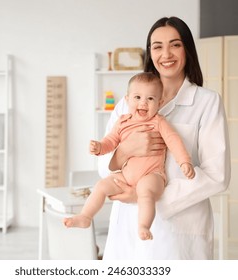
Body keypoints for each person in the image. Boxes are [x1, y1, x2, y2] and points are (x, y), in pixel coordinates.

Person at [99, 16, 231, 259]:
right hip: (127, 226)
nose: (166, 53)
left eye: (175, 44)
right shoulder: (127, 103)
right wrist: (126, 151)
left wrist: (146, 195)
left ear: (187, 49)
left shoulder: (207, 102)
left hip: (179, 231)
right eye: (157, 46)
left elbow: (217, 175)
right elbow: (102, 163)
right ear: (150, 52)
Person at [63, 73, 195, 240]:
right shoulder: (122, 122)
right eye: (138, 97)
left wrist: (184, 161)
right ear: (127, 99)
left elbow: (173, 140)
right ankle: (85, 217)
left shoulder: (158, 122)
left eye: (150, 99)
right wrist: (100, 147)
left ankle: (143, 226)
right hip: (125, 176)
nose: (143, 103)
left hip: (151, 174)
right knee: (101, 186)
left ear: (160, 103)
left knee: (146, 192)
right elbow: (111, 141)